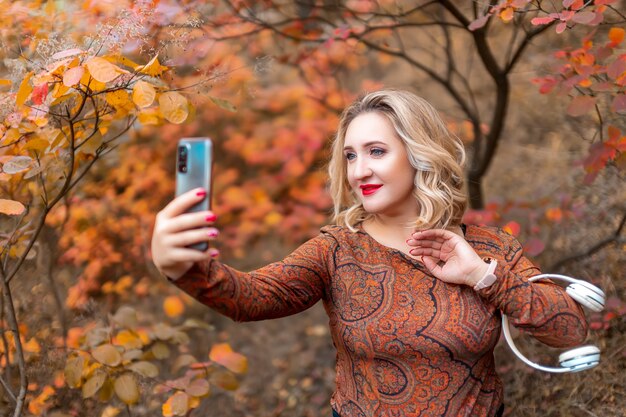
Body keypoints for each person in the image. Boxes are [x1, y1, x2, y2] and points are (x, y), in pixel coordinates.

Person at [151, 89, 588, 417]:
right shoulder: (336, 249)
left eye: (377, 152)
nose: (360, 171)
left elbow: (569, 330)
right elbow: (251, 297)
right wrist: (185, 268)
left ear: (419, 155)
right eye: (350, 156)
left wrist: (483, 277)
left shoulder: (489, 247)